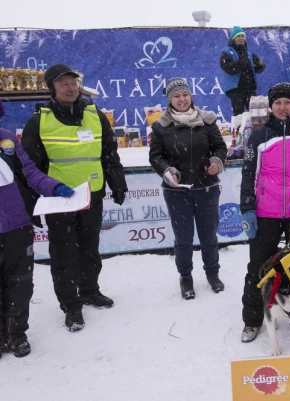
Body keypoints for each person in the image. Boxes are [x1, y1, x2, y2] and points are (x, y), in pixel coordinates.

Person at [21, 63, 127, 332]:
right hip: (59, 199)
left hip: (91, 194)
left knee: (89, 247)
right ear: (52, 88)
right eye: (63, 84)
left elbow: (109, 154)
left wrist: (117, 183)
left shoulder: (96, 115)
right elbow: (31, 166)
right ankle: (71, 305)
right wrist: (34, 201)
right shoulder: (38, 121)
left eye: (73, 83)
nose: (70, 89)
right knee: (64, 252)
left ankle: (90, 290)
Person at [239, 83, 290, 343]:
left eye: (288, 102)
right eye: (278, 103)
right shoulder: (257, 136)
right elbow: (248, 174)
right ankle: (252, 320)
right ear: (270, 106)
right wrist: (248, 208)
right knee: (259, 268)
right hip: (266, 213)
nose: (283, 107)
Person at [149, 78, 228, 299]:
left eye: (185, 95)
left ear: (191, 96)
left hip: (207, 187)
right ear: (169, 100)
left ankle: (213, 274)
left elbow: (220, 148)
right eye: (176, 96)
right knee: (183, 238)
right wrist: (168, 170)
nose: (182, 99)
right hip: (177, 192)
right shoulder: (160, 126)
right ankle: (185, 277)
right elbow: (155, 156)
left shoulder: (207, 121)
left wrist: (217, 162)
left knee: (208, 236)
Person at [0, 128, 73, 357]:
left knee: (21, 284)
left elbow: (30, 172)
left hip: (18, 226)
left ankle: (17, 334)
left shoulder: (7, 137)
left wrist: (53, 187)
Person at [220, 26, 266, 116]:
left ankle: (255, 130)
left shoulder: (249, 53)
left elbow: (257, 69)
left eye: (242, 36)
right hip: (236, 90)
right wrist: (240, 64)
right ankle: (238, 130)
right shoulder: (227, 52)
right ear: (233, 38)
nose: (241, 38)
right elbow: (227, 68)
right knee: (238, 115)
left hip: (250, 89)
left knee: (255, 115)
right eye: (238, 36)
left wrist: (261, 65)